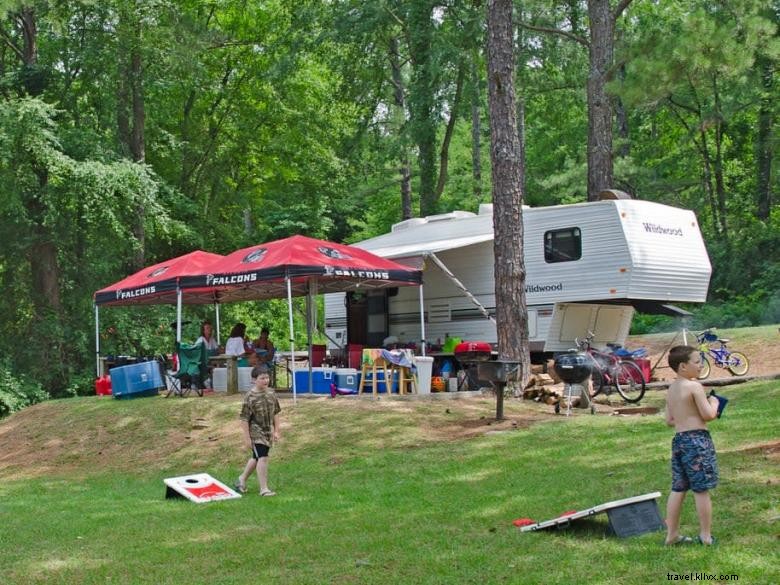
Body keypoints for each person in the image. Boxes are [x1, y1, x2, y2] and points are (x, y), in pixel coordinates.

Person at [664, 345, 720, 546]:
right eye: (697, 362)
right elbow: (708, 415)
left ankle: (672, 534)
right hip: (697, 442)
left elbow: (670, 420)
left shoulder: (671, 389)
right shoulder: (694, 386)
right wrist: (714, 402)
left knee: (678, 488)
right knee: (701, 489)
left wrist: (687, 414)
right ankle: (705, 536)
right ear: (682, 366)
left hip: (679, 441)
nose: (701, 365)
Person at [235, 367, 281, 496]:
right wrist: (247, 438)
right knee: (263, 457)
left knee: (256, 457)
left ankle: (241, 479)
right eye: (262, 378)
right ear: (254, 380)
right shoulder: (250, 396)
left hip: (267, 431)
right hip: (255, 431)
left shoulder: (271, 394)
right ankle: (264, 489)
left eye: (267, 377)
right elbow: (244, 419)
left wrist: (277, 431)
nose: (265, 380)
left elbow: (276, 413)